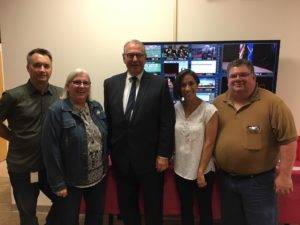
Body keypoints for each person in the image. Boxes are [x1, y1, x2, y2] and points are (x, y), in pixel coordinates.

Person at [213, 59, 297, 225]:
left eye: (243, 74)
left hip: (259, 183)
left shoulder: (273, 103)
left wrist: (285, 175)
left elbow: (288, 140)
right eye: (233, 75)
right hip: (226, 181)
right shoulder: (218, 103)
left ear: (253, 77)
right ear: (227, 79)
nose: (238, 79)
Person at [104, 39, 175, 225]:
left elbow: (167, 122)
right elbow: (110, 121)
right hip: (122, 160)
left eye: (139, 55)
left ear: (145, 58)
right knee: (127, 208)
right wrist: (108, 151)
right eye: (130, 55)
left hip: (151, 161)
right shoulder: (110, 84)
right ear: (123, 58)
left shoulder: (159, 84)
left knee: (153, 207)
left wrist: (163, 154)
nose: (134, 59)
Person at [0, 48, 63, 225]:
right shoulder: (12, 96)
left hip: (51, 167)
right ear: (28, 68)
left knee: (64, 200)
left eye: (46, 65)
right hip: (22, 167)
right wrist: (13, 138)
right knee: (27, 215)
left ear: (51, 68)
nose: (42, 69)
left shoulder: (61, 94)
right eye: (37, 65)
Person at [41, 68, 108, 225]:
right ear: (67, 86)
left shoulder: (96, 107)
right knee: (69, 220)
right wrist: (58, 183)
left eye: (86, 83)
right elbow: (50, 150)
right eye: (76, 82)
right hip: (71, 181)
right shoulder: (57, 111)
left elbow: (104, 138)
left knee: (95, 217)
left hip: (98, 177)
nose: (81, 86)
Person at [173, 69, 218, 225]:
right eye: (183, 84)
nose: (187, 88)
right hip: (181, 169)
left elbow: (209, 143)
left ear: (197, 85)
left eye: (191, 83)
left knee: (204, 209)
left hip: (203, 170)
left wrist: (200, 171)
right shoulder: (176, 108)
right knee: (186, 209)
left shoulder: (209, 110)